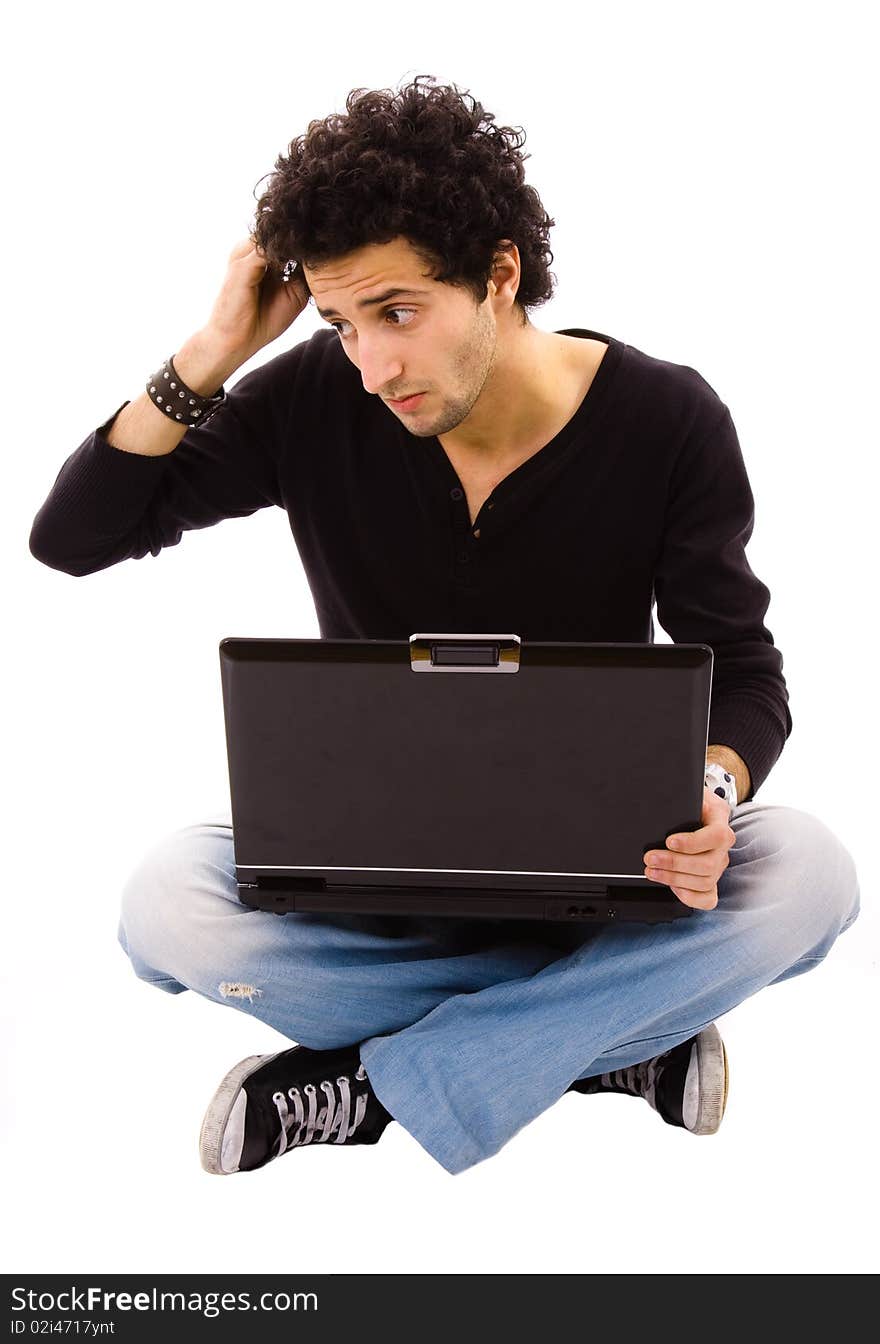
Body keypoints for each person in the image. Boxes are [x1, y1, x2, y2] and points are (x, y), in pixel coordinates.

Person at [29, 75, 860, 1177]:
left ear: (499, 274)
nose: (372, 367)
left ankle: (375, 1083)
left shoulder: (668, 419)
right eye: (340, 323)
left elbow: (750, 678)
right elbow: (74, 538)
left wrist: (711, 796)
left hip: (609, 885)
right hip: (379, 890)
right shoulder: (314, 400)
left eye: (399, 313)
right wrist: (213, 354)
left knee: (811, 874)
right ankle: (604, 1043)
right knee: (163, 904)